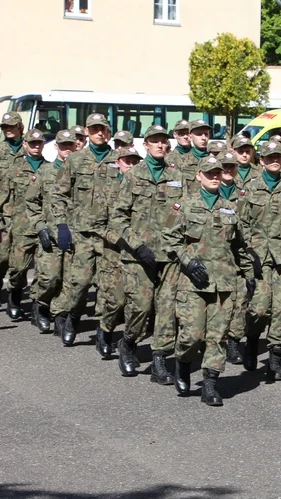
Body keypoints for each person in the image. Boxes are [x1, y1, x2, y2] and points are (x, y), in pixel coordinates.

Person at [163, 156, 253, 406]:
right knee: (191, 335)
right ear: (198, 176)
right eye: (209, 173)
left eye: (218, 172)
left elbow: (239, 246)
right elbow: (168, 239)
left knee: (218, 335)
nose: (215, 176)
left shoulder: (230, 208)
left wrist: (248, 274)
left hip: (225, 283)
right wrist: (187, 261)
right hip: (194, 282)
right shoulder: (183, 206)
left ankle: (210, 384)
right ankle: (182, 362)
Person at [109, 124, 185, 382]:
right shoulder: (133, 176)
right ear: (146, 146)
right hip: (137, 256)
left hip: (169, 256)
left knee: (166, 308)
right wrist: (137, 246)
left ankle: (159, 360)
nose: (161, 145)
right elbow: (117, 218)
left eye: (164, 141)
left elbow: (185, 212)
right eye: (155, 141)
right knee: (140, 308)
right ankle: (128, 342)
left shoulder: (178, 177)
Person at [49, 113, 114, 346]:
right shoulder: (75, 160)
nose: (98, 132)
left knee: (108, 288)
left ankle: (103, 331)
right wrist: (62, 225)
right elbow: (58, 194)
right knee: (80, 283)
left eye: (102, 129)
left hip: (109, 236)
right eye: (94, 129)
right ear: (86, 132)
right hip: (82, 234)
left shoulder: (116, 160)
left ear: (108, 132)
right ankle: (73, 317)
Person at [239, 141, 281, 381]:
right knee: (259, 308)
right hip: (258, 256)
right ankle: (252, 341)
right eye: (269, 156)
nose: (274, 160)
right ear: (260, 160)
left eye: (278, 156)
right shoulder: (249, 189)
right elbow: (241, 224)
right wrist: (249, 250)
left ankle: (275, 356)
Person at [25, 130, 77, 333]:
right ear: (56, 147)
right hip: (51, 233)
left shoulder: (80, 172)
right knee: (50, 277)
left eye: (70, 146)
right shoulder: (45, 172)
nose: (66, 149)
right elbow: (31, 202)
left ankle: (60, 315)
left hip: (73, 234)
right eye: (62, 146)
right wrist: (40, 227)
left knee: (70, 279)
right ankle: (40, 306)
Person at [93, 146, 142, 358]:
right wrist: (121, 239)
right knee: (117, 300)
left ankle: (129, 342)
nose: (130, 166)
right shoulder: (106, 188)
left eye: (134, 162)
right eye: (126, 162)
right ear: (118, 163)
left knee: (139, 302)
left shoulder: (143, 187)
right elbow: (97, 222)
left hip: (138, 254)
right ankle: (105, 330)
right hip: (114, 253)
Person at [1, 129, 49, 322]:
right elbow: (4, 197)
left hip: (43, 226)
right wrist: (6, 222)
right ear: (25, 144)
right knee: (18, 268)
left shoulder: (50, 169)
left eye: (39, 143)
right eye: (32, 143)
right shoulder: (14, 169)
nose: (36, 146)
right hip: (21, 226)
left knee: (45, 271)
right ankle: (14, 299)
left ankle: (39, 308)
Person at [216, 151, 246, 364]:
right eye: (224, 166)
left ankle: (234, 341)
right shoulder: (206, 192)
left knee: (240, 298)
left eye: (232, 166)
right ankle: (212, 339)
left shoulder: (244, 194)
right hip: (211, 255)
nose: (228, 170)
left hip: (236, 253)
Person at [0, 112, 27, 306]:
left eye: (11, 126)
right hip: (1, 212)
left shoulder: (30, 147)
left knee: (21, 262)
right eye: (4, 127)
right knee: (1, 258)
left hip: (25, 212)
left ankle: (15, 294)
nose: (8, 129)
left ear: (20, 127)